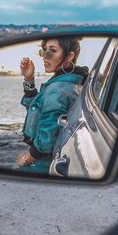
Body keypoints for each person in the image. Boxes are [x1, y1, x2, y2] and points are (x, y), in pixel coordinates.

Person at [16, 37, 89, 173]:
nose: (45, 56)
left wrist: (27, 159)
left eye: (52, 51)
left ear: (69, 56)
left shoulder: (58, 90)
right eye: (44, 51)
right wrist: (29, 80)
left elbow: (46, 139)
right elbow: (39, 112)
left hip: (44, 163)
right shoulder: (71, 83)